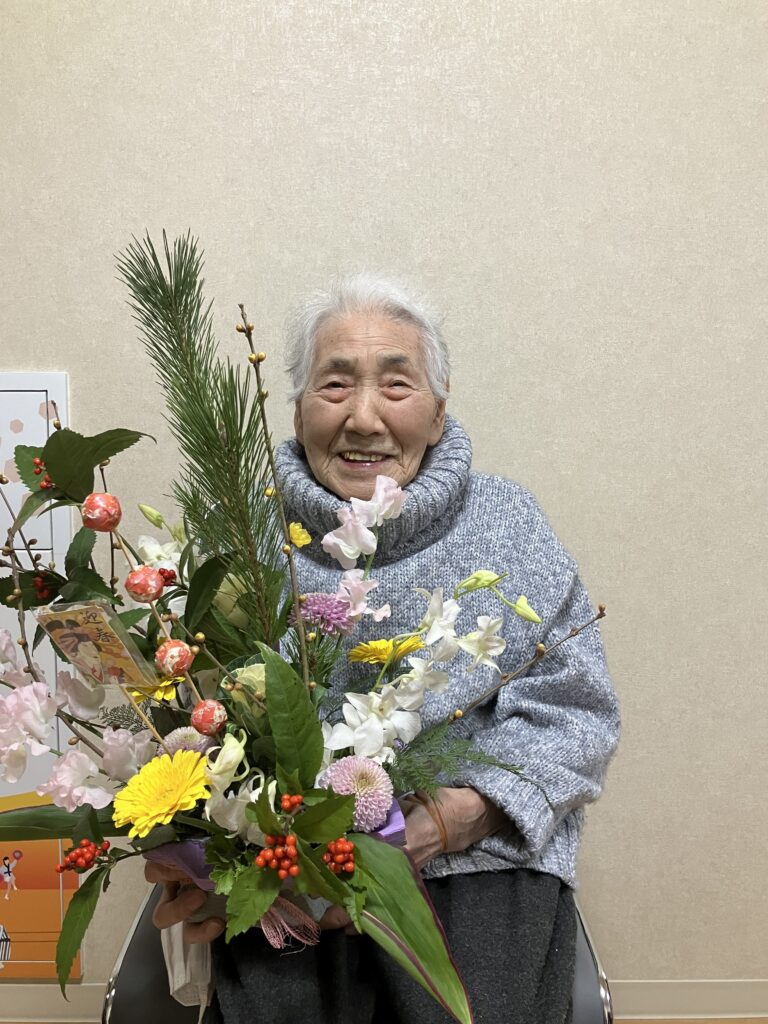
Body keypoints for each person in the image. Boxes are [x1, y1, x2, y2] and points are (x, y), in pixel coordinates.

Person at [146, 274, 620, 1023]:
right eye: (335, 384)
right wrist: (205, 855)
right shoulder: (239, 527)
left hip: (471, 858)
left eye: (396, 385)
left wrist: (445, 822)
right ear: (297, 411)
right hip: (284, 867)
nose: (363, 418)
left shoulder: (508, 524)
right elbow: (182, 713)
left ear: (437, 412)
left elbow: (577, 714)